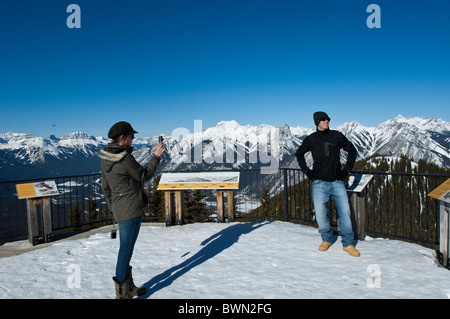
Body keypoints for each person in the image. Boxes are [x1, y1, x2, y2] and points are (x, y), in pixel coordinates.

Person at [98, 121, 165, 298]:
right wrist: (156, 156)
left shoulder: (106, 159)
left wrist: (114, 206)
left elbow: (106, 187)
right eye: (131, 136)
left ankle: (129, 288)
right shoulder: (125, 158)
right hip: (131, 208)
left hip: (120, 208)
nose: (133, 139)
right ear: (122, 138)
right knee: (125, 250)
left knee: (126, 249)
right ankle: (122, 294)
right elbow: (144, 175)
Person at [295, 112, 360, 257]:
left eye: (328, 119)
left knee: (345, 213)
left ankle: (348, 244)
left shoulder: (336, 136)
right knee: (320, 214)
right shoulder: (311, 139)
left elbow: (352, 151)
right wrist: (308, 172)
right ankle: (326, 239)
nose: (327, 121)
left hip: (337, 182)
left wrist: (346, 171)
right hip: (319, 183)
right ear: (317, 122)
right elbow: (299, 154)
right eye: (324, 119)